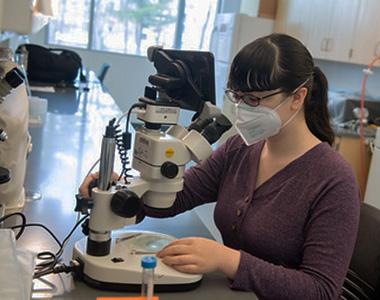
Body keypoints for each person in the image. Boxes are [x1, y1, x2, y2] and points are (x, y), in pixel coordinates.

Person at [80, 33, 360, 300]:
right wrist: (121, 193)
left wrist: (230, 261)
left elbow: (321, 291)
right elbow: (179, 196)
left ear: (297, 97)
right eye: (237, 97)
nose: (242, 109)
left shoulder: (334, 180)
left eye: (254, 100)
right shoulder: (241, 148)